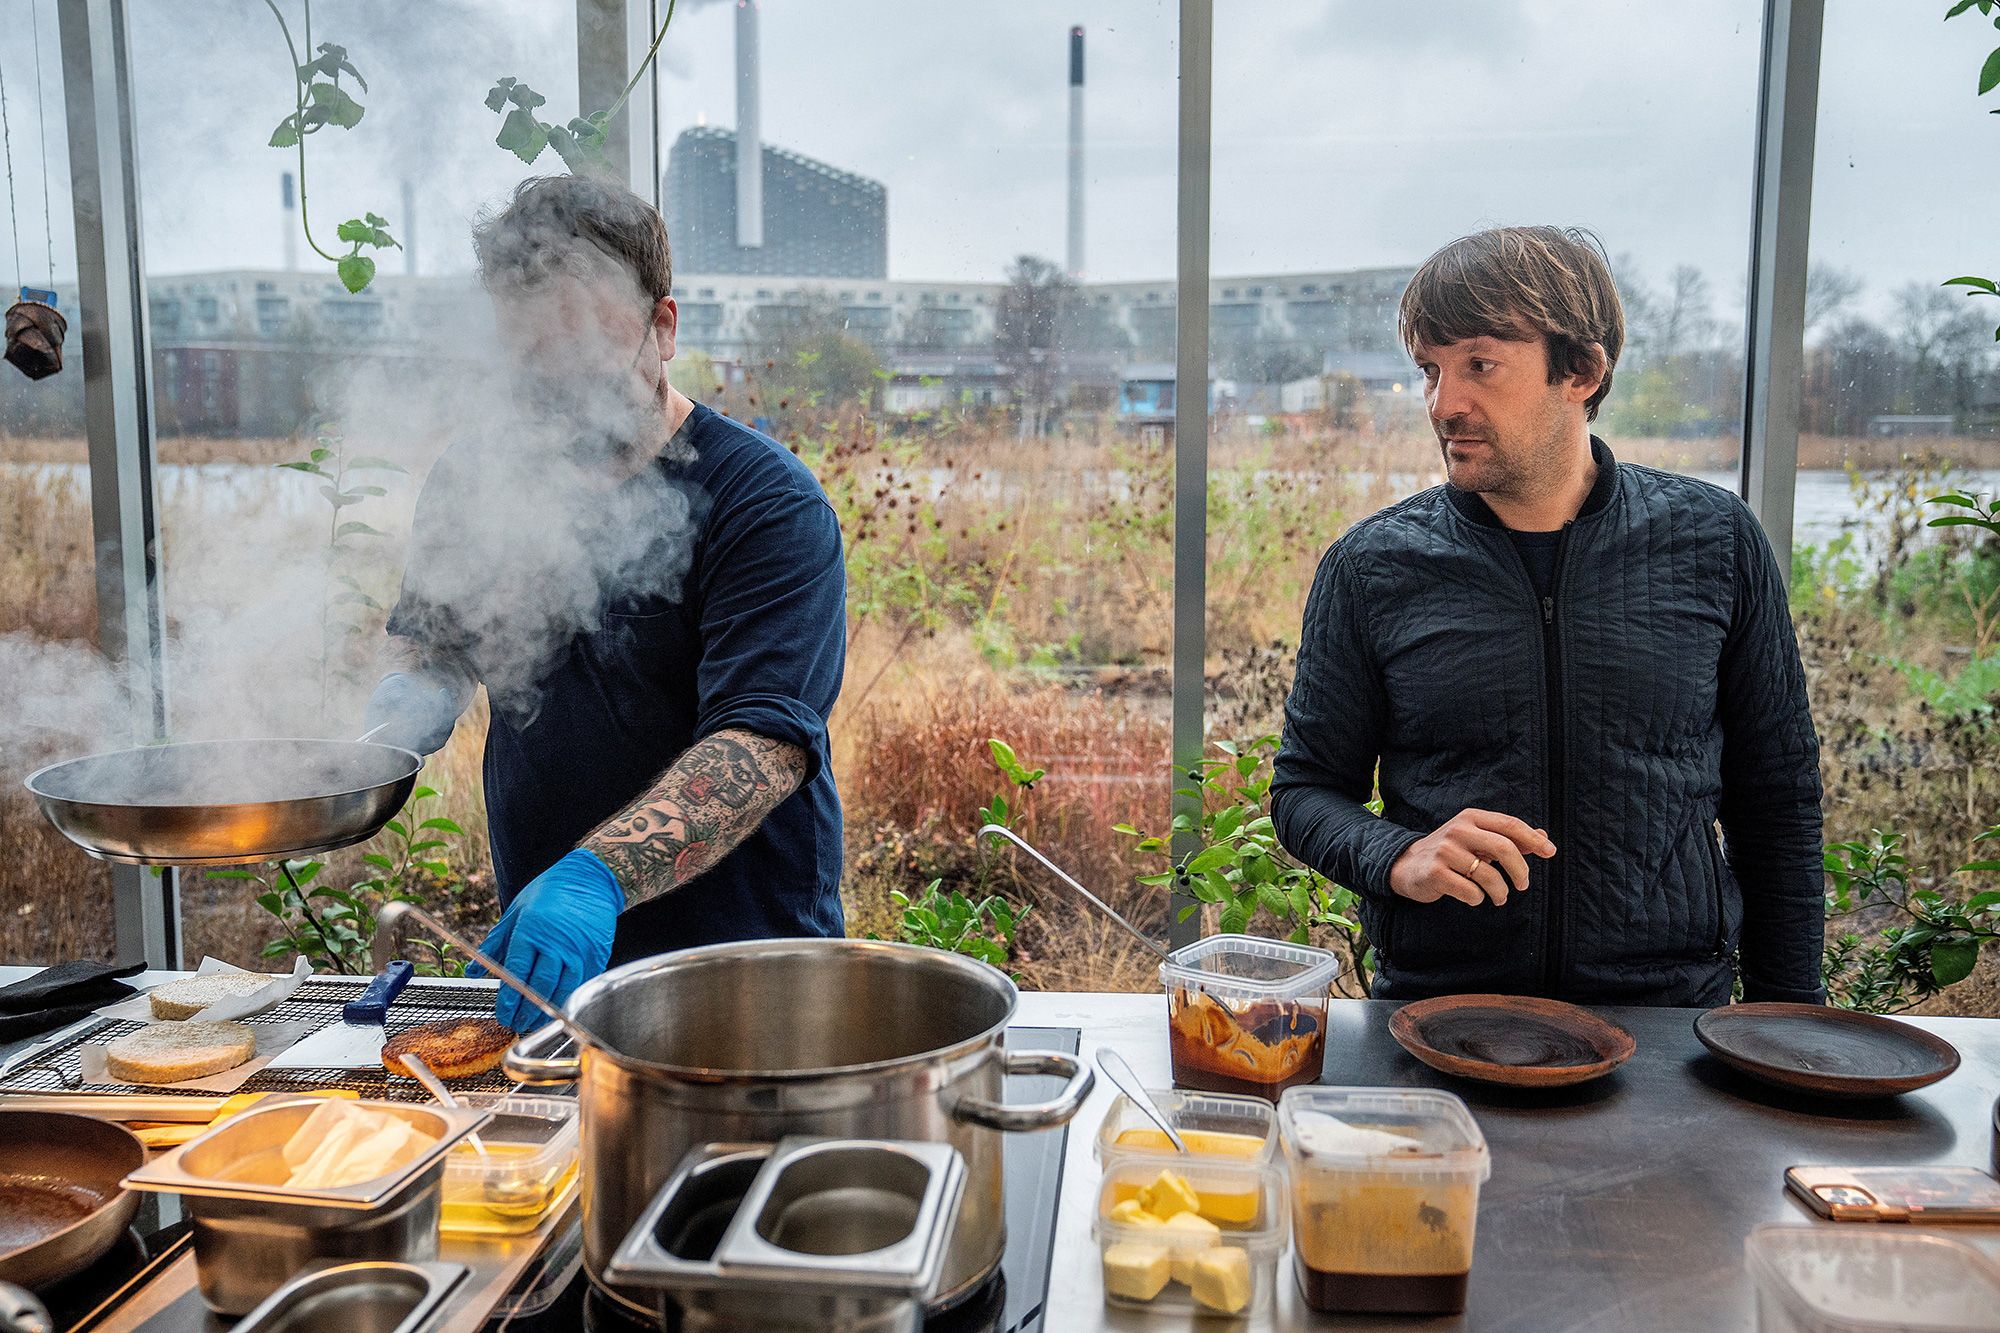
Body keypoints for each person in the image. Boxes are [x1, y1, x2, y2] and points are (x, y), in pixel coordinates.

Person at [1270, 226, 1825, 1007]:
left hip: (1665, 1020)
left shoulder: (1716, 541)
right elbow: (1304, 789)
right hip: (1441, 1016)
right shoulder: (1372, 566)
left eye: (1479, 365)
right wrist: (1399, 856)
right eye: (1430, 368)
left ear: (1582, 370)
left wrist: (1790, 1026)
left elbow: (1778, 801)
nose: (1442, 402)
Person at [364, 176, 846, 1029]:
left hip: (741, 971)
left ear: (663, 328)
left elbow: (760, 747)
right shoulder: (478, 477)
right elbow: (440, 643)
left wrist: (595, 876)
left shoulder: (765, 504)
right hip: (549, 963)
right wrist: (404, 710)